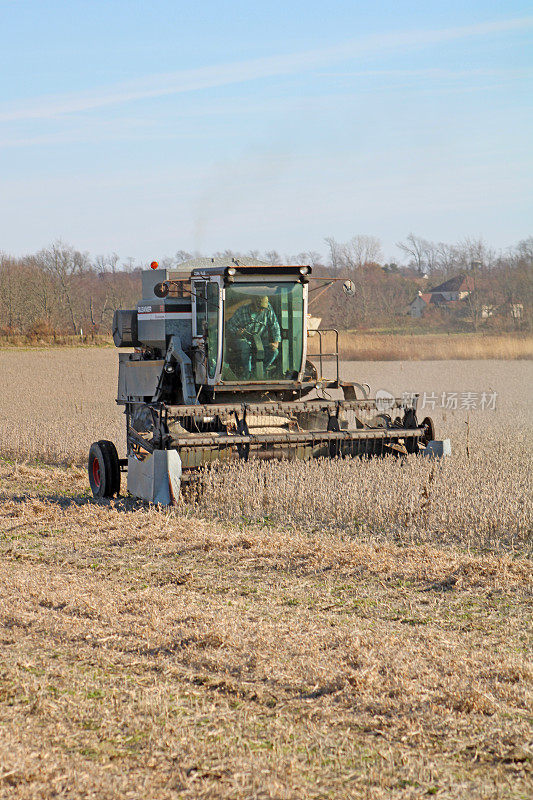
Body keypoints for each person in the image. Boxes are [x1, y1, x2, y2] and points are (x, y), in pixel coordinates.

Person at [226, 294, 281, 378]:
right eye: (260, 308)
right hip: (243, 339)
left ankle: (259, 372)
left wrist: (276, 342)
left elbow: (275, 326)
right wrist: (237, 332)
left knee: (274, 351)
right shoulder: (242, 311)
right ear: (253, 303)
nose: (262, 310)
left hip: (260, 340)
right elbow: (230, 325)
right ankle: (247, 373)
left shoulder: (268, 309)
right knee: (245, 347)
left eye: (264, 308)